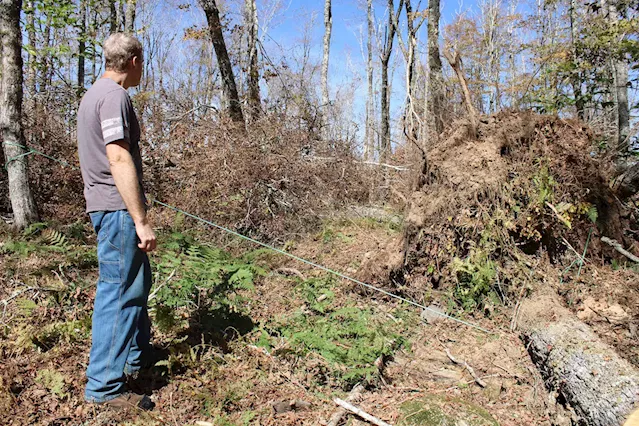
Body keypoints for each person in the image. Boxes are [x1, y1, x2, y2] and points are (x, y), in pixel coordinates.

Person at [77, 33, 156, 410]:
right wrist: (140, 219)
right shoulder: (114, 97)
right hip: (117, 210)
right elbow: (118, 159)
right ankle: (105, 387)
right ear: (135, 61)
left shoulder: (94, 94)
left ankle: (136, 358)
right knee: (120, 291)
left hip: (108, 206)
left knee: (136, 282)